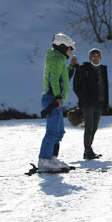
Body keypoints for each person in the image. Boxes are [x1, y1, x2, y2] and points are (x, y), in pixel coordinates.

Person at [38, 33, 77, 171]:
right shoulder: (55, 60)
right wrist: (57, 97)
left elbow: (63, 78)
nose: (70, 51)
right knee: (52, 131)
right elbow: (54, 80)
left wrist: (71, 67)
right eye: (69, 48)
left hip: (55, 100)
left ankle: (52, 159)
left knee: (59, 131)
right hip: (52, 99)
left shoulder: (59, 60)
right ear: (62, 47)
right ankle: (44, 161)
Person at [73, 48, 109, 159]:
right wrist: (83, 98)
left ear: (100, 58)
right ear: (90, 58)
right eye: (93, 56)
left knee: (94, 128)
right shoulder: (84, 69)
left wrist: (105, 102)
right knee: (89, 127)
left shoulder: (102, 69)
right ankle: (87, 151)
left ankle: (89, 150)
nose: (96, 57)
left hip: (99, 103)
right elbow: (76, 86)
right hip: (87, 104)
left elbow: (105, 86)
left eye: (98, 56)